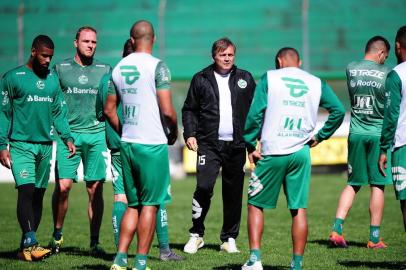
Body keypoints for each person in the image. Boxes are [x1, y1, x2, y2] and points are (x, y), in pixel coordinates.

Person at [242, 47, 345, 270]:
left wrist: (251, 143)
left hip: (272, 151)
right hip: (301, 152)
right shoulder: (316, 82)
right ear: (298, 62)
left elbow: (255, 113)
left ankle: (255, 260)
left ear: (279, 61)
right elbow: (338, 110)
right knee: (298, 209)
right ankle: (297, 264)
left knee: (255, 204)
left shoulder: (270, 77)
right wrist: (321, 136)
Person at [96, 38, 182, 261]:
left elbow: (104, 111)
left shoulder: (111, 74)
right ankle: (156, 254)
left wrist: (123, 130)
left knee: (124, 200)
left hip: (122, 146)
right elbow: (167, 110)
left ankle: (120, 256)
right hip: (149, 144)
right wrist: (172, 132)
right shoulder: (153, 69)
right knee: (153, 201)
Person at [0, 35, 75, 261]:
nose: (47, 60)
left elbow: (59, 112)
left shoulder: (52, 79)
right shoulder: (13, 78)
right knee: (26, 190)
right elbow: (3, 114)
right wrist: (2, 145)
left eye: (50, 57)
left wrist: (67, 137)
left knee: (39, 195)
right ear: (33, 51)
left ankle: (27, 247)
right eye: (44, 55)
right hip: (21, 145)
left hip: (45, 145)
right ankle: (31, 242)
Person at [182, 37, 256, 254]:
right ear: (213, 56)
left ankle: (229, 239)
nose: (226, 58)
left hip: (236, 145)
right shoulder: (201, 78)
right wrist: (190, 133)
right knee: (204, 187)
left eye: (230, 54)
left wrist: (254, 139)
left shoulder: (245, 78)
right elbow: (189, 109)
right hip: (208, 144)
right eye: (222, 55)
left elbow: (257, 109)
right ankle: (196, 234)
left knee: (233, 192)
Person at [49, 26, 111, 254]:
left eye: (94, 42)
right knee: (63, 187)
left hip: (96, 135)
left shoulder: (105, 70)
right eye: (86, 41)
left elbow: (112, 102)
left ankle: (95, 243)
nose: (90, 45)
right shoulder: (61, 69)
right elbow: (52, 101)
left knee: (94, 189)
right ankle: (57, 234)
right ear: (76, 43)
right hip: (69, 137)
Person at [329, 36, 391, 249]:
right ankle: (374, 238)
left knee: (353, 183)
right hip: (377, 134)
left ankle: (336, 229)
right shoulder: (387, 74)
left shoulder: (351, 68)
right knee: (378, 185)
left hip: (355, 132)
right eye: (385, 57)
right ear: (381, 53)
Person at [379, 25, 406, 231]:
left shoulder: (397, 75)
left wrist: (383, 149)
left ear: (397, 46)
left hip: (403, 146)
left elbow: (391, 115)